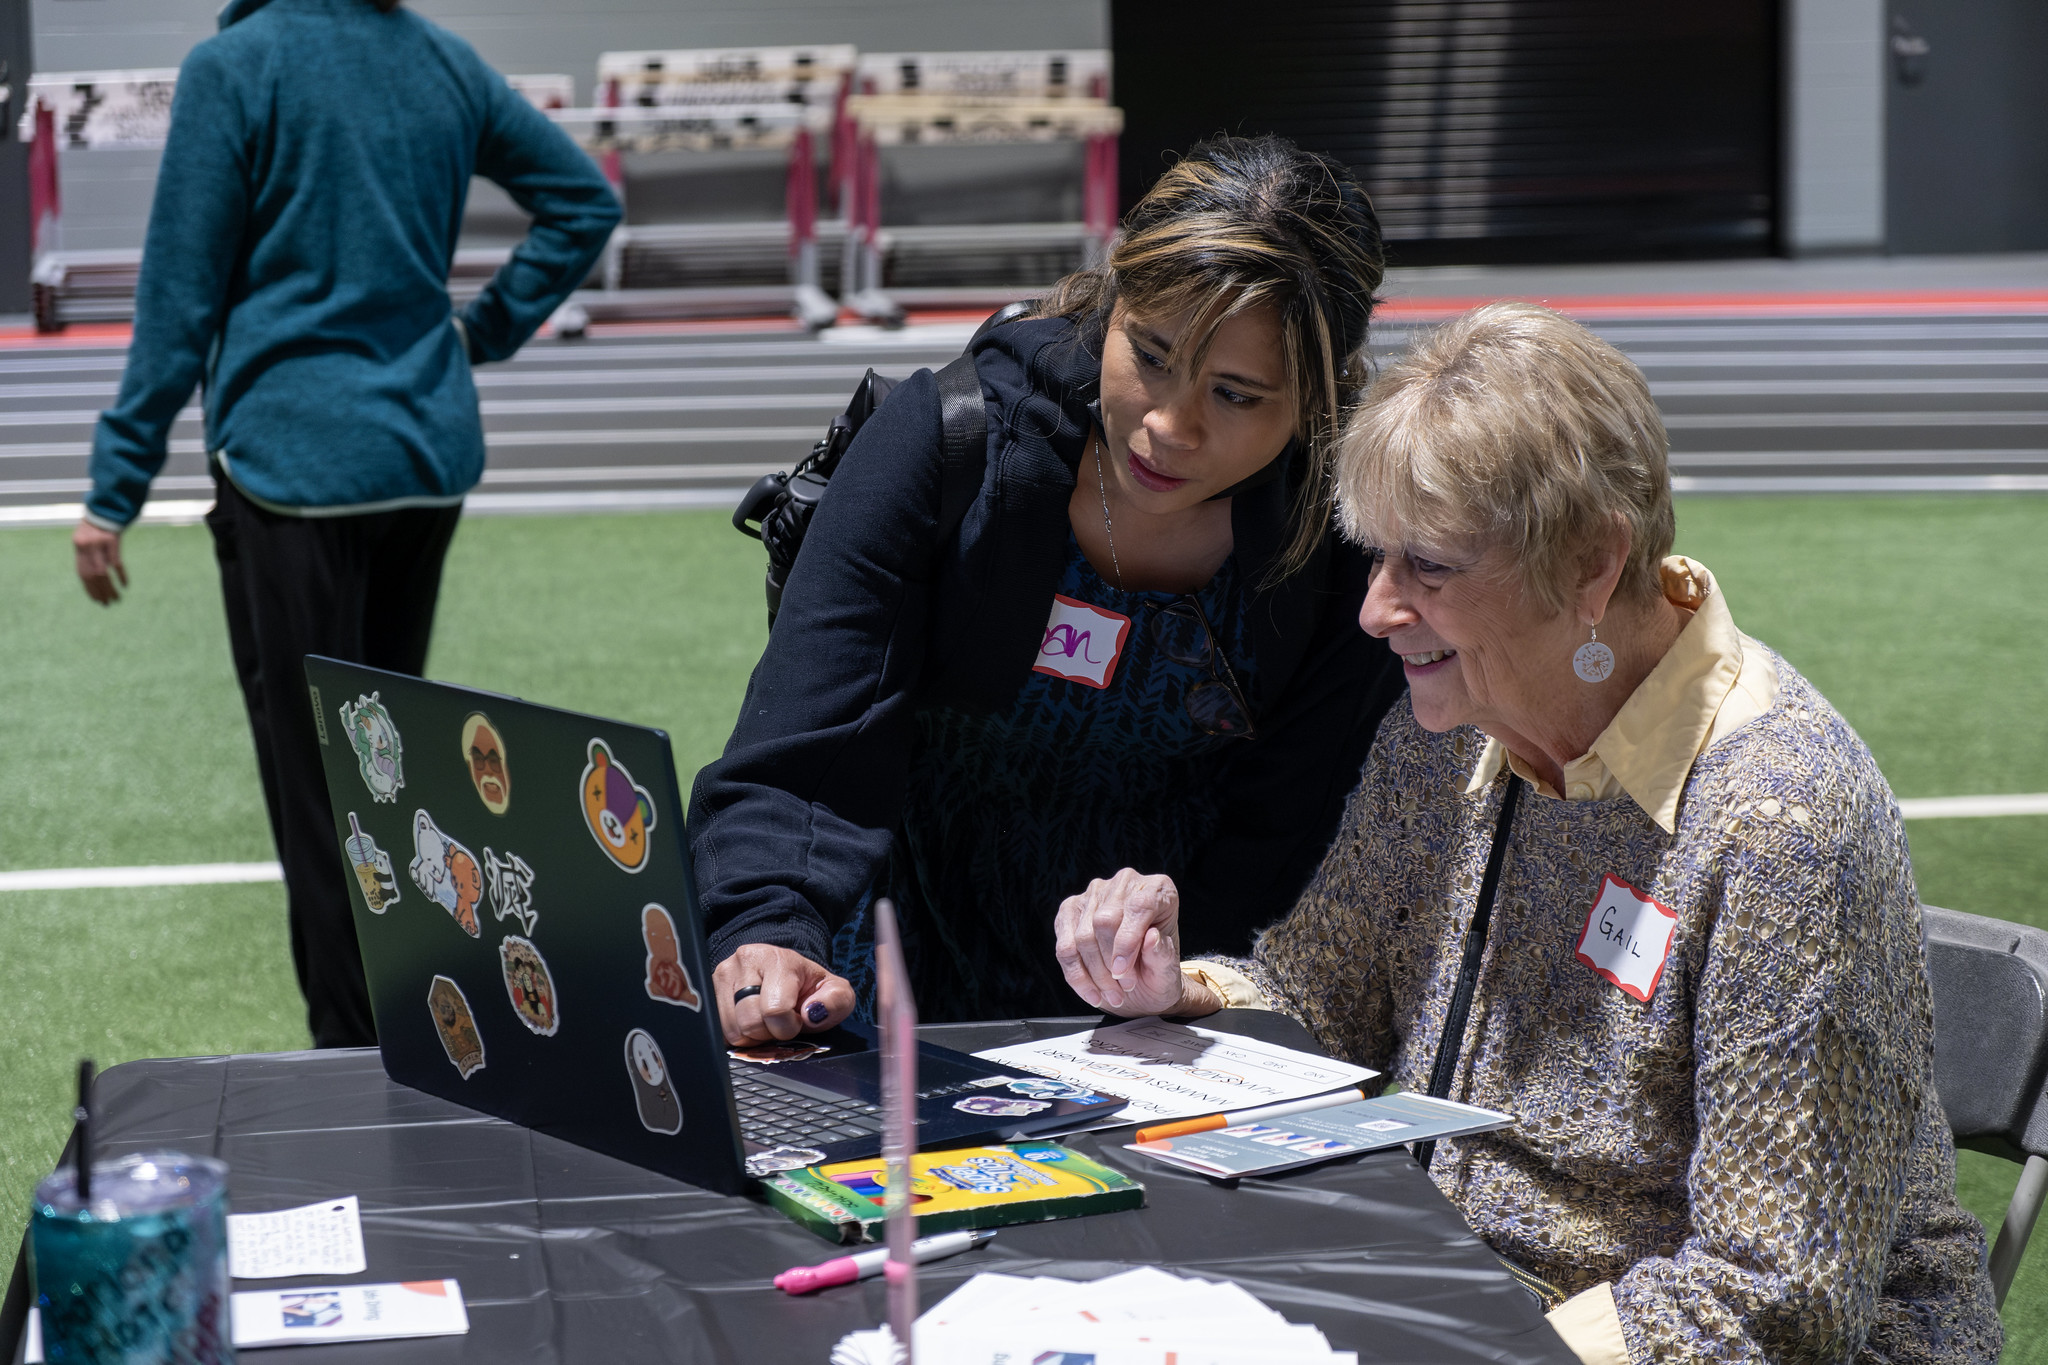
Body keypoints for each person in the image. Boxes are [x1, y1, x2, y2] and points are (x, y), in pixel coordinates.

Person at [1055, 302, 2002, 1363]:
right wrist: (1179, 990)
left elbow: (1777, 1299)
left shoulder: (1781, 825)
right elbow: (1326, 996)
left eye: (1430, 567)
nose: (1375, 610)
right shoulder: (1451, 725)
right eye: (1376, 558)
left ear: (1592, 566)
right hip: (1453, 1287)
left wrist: (1486, 1349)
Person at [690, 135, 1407, 1043]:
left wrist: (1181, 982)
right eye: (1149, 352)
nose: (1167, 425)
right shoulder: (946, 444)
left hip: (1163, 1001)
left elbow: (1291, 826)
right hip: (883, 968)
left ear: (1316, 396)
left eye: (1235, 395)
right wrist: (768, 933)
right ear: (1111, 301)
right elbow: (801, 755)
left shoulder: (1345, 546)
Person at [71, 0, 620, 1048]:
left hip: (294, 468)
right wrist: (481, 332)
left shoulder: (236, 67)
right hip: (422, 460)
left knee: (323, 795)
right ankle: (430, 1022)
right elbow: (582, 203)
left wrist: (115, 485)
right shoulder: (441, 60)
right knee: (393, 773)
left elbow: (179, 292)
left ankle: (352, 1051)